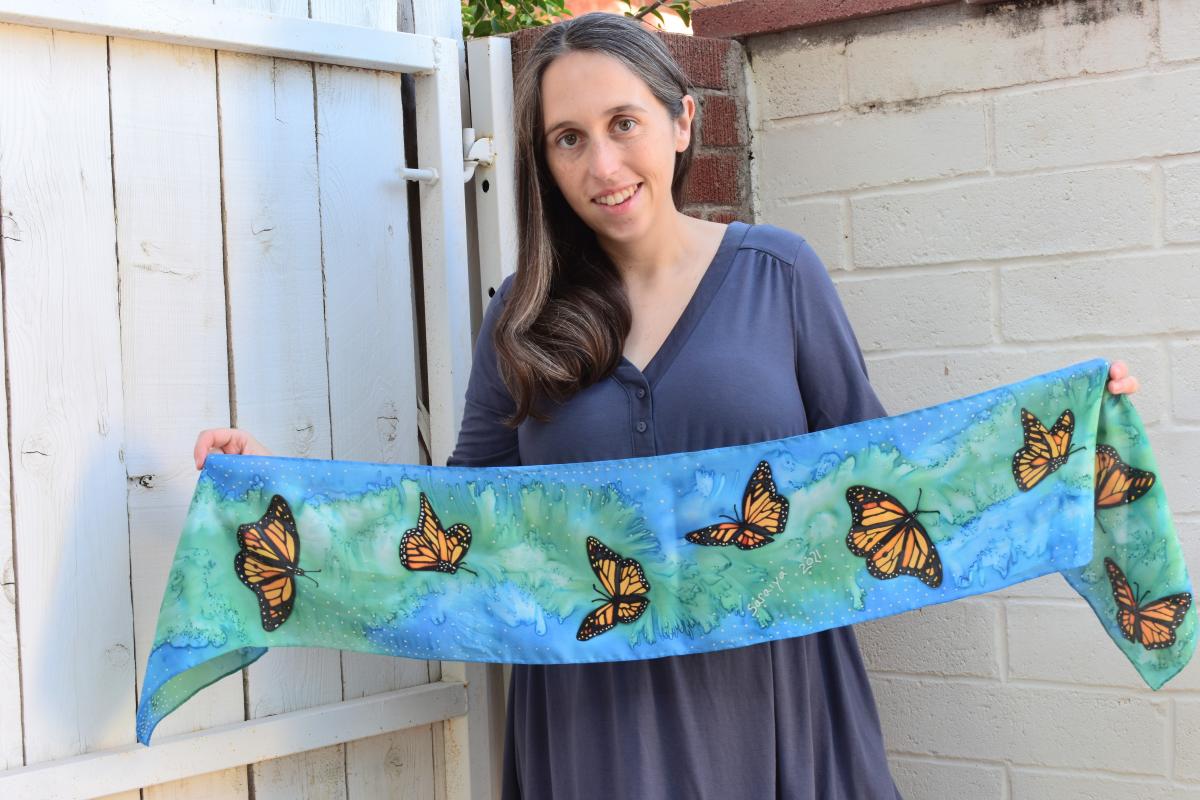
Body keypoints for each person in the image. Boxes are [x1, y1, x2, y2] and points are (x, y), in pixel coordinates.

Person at [194, 12, 1142, 799]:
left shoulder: (781, 276)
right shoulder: (518, 318)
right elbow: (451, 531)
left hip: (778, 702)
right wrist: (265, 489)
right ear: (544, 161)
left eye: (623, 124)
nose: (601, 164)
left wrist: (1074, 430)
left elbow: (891, 475)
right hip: (595, 728)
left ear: (682, 121)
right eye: (568, 139)